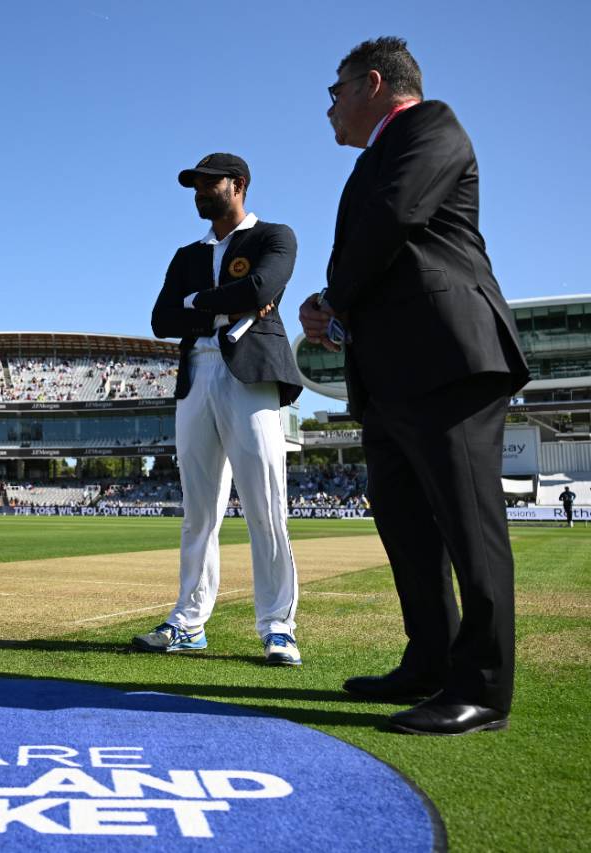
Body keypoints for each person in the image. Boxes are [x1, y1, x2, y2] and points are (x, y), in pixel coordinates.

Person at [300, 37, 529, 734]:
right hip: (392, 373)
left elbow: (396, 218)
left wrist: (332, 298)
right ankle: (429, 662)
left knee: (469, 527)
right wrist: (329, 301)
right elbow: (378, 244)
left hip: (447, 359)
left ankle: (483, 689)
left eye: (335, 89)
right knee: (407, 530)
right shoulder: (373, 158)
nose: (330, 106)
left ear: (374, 83)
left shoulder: (433, 126)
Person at [141, 153, 305, 665]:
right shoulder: (187, 253)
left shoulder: (274, 237)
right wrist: (215, 303)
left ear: (238, 185)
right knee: (198, 512)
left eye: (209, 183)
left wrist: (196, 302)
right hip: (197, 375)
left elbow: (260, 288)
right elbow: (161, 319)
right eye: (195, 185)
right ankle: (189, 621)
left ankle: (279, 626)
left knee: (265, 504)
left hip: (250, 374)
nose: (199, 192)